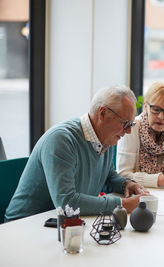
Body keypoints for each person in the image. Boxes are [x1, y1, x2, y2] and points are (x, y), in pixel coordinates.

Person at [5, 85, 149, 222]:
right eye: (125, 123)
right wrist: (122, 204)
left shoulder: (107, 137)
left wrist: (125, 184)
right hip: (25, 226)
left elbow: (107, 177)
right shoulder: (61, 140)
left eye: (131, 124)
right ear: (103, 113)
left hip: (64, 224)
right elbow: (67, 203)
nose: (129, 131)